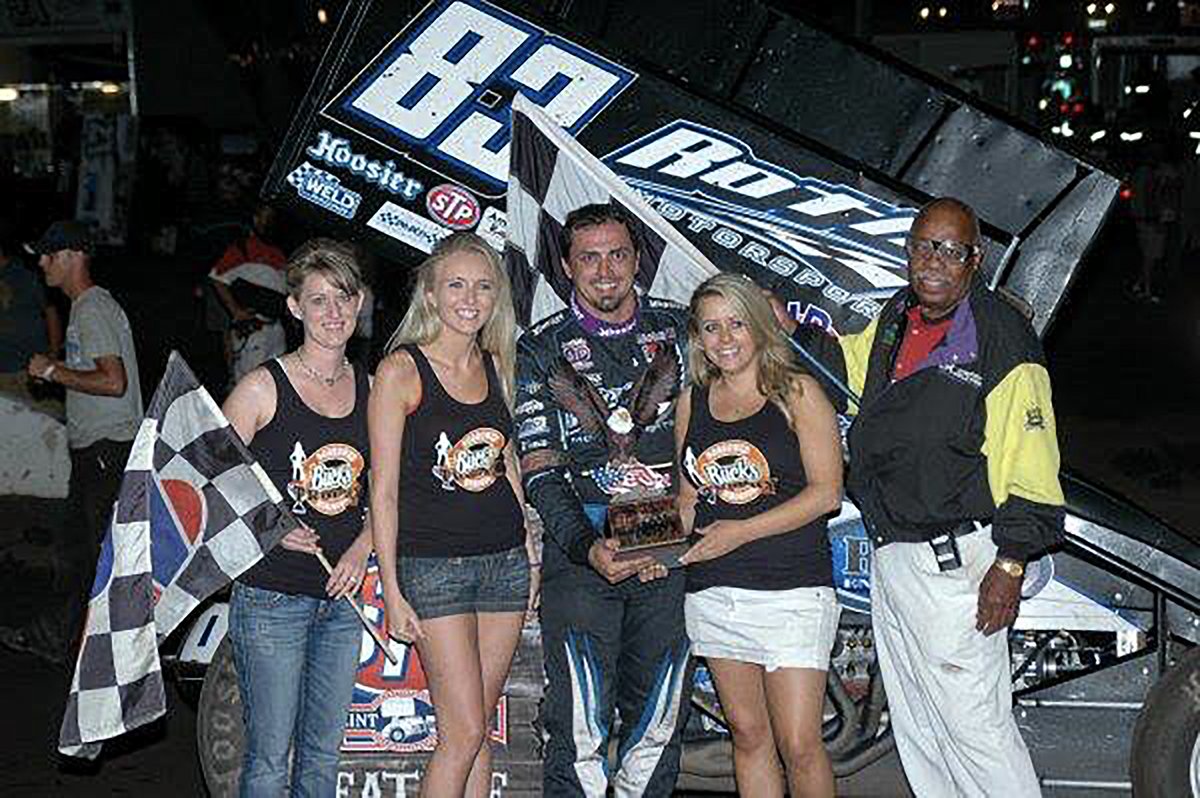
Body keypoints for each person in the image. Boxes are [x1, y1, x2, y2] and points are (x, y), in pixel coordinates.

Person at [778, 197, 1065, 796]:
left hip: (957, 566)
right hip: (895, 555)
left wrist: (1011, 563)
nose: (934, 261)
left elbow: (1034, 464)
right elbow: (849, 371)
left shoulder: (1001, 339)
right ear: (909, 251)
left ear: (974, 259)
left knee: (976, 729)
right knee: (921, 730)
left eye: (950, 250)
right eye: (923, 247)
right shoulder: (895, 319)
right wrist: (790, 332)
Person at [514, 202, 692, 796]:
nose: (606, 270)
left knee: (658, 723)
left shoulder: (683, 330)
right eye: (589, 258)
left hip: (666, 547)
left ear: (638, 259)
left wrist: (665, 535)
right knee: (580, 728)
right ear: (567, 267)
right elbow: (540, 471)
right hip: (582, 552)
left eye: (618, 254)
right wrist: (590, 548)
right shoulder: (540, 349)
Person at [369, 232, 537, 798]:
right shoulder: (402, 370)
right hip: (434, 567)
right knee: (461, 734)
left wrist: (529, 554)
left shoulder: (496, 363)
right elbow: (383, 490)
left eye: (484, 286)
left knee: (478, 730)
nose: (471, 298)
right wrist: (392, 589)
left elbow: (504, 457)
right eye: (457, 285)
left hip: (505, 565)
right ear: (431, 295)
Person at [672, 273, 842, 797]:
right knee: (747, 735)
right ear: (698, 337)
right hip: (714, 589)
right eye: (711, 327)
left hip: (791, 590)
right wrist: (645, 546)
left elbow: (827, 494)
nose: (725, 338)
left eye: (737, 324)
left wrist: (740, 533)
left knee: (799, 743)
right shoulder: (691, 401)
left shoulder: (798, 392)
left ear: (760, 325)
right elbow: (685, 498)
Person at [222, 238, 374, 797]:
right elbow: (206, 479)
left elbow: (387, 492)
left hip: (342, 602)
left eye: (343, 298)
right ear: (294, 308)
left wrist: (362, 547)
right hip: (271, 598)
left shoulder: (372, 387)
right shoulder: (264, 386)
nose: (333, 313)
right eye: (318, 300)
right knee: (268, 757)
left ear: (359, 305)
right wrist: (274, 525)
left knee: (323, 755)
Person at [0, 220, 142, 664]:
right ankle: (66, 641)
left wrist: (52, 372)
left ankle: (94, 647)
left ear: (73, 255)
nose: (41, 262)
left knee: (92, 556)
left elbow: (113, 381)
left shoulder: (91, 308)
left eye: (49, 254)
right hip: (99, 452)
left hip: (106, 450)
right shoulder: (88, 308)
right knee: (83, 552)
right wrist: (62, 372)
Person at [210, 204, 289, 385]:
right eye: (265, 217)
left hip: (275, 330)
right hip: (253, 329)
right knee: (246, 385)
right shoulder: (242, 248)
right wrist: (236, 311)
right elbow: (217, 279)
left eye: (272, 218)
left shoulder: (278, 253)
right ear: (256, 219)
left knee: (276, 384)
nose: (269, 222)